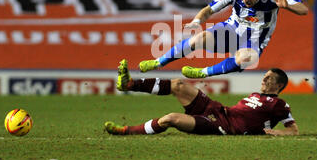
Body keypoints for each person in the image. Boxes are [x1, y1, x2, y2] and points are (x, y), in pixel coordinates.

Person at [138, 0, 308, 79]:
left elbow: (303, 9)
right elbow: (208, 10)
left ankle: (202, 73)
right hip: (231, 30)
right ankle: (158, 62)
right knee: (199, 38)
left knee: (245, 60)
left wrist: (287, 6)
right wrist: (196, 22)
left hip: (255, 38)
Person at [105, 59, 299, 136]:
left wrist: (278, 133)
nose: (264, 79)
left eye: (269, 78)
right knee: (179, 84)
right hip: (218, 109)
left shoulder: (279, 104)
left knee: (171, 118)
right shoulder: (257, 95)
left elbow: (293, 130)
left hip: (222, 126)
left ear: (279, 85)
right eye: (264, 76)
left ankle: (126, 131)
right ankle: (130, 84)